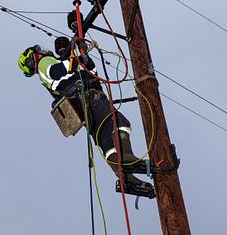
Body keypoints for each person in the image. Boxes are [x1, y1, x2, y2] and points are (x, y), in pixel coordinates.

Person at [18, 44, 154, 197]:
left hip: (85, 110)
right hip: (89, 98)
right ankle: (126, 157)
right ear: (32, 58)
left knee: (106, 142)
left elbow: (90, 73)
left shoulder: (54, 74)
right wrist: (77, 58)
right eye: (38, 50)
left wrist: (85, 61)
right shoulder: (45, 62)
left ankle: (125, 179)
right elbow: (58, 71)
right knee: (119, 122)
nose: (42, 50)